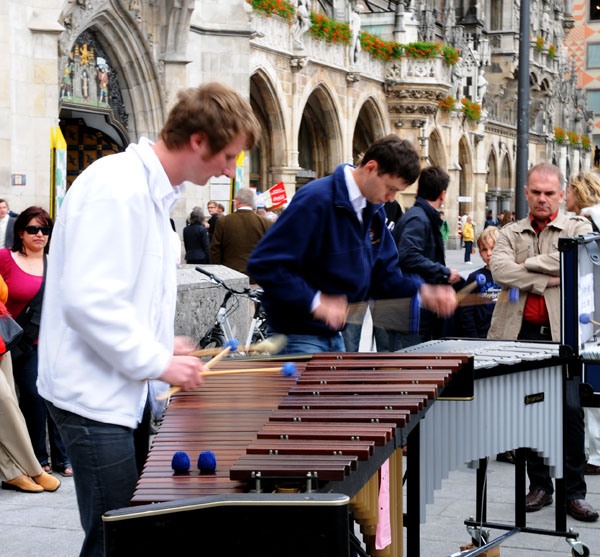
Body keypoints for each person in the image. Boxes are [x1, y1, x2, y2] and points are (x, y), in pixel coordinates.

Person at [37, 82, 260, 556]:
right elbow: (86, 301)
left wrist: (164, 344)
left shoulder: (151, 193)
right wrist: (157, 360)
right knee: (116, 541)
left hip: (120, 390)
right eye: (228, 155)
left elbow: (123, 295)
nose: (229, 168)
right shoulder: (117, 188)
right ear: (199, 140)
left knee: (133, 533)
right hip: (91, 397)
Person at [247, 135, 457, 355]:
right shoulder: (316, 200)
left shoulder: (373, 211)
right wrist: (316, 302)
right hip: (296, 336)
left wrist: (423, 292)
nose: (391, 198)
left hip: (333, 336)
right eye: (390, 188)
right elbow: (265, 264)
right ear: (371, 167)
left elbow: (384, 277)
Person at [488, 162, 598, 522]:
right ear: (526, 193)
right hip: (519, 335)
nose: (542, 199)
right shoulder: (508, 232)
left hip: (562, 337)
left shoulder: (578, 226)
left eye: (549, 193)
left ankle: (574, 492)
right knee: (526, 412)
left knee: (569, 413)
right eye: (535, 192)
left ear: (562, 195)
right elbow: (500, 269)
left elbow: (573, 254)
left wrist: (528, 264)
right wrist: (544, 278)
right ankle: (540, 486)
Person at [0, 207, 72, 478]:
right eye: (33, 229)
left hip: (50, 342)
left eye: (45, 230)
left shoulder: (55, 264)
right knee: (32, 397)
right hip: (13, 342)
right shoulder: (6, 259)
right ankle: (36, 458)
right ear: (21, 232)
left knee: (55, 396)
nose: (40, 234)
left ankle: (61, 457)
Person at [0, 273, 61, 494]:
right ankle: (34, 468)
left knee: (10, 404)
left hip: (1, 336)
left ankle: (11, 472)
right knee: (4, 400)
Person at [393, 166, 461, 348]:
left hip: (416, 309)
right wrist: (444, 272)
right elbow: (407, 254)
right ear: (443, 194)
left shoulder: (420, 216)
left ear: (418, 190)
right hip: (409, 313)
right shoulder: (418, 218)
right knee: (408, 367)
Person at [565, 171, 600, 477]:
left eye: (567, 191)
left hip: (591, 313)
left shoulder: (588, 220)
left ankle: (595, 455)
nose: (565, 197)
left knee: (591, 392)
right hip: (591, 311)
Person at [210, 187, 272, 278]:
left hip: (230, 275)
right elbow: (271, 251)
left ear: (237, 201)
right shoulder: (266, 223)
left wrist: (219, 274)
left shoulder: (223, 221)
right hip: (257, 275)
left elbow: (215, 250)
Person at [459, 226, 501, 338]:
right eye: (484, 249)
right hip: (481, 335)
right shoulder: (474, 277)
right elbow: (466, 310)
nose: (489, 253)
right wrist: (473, 336)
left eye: (493, 248)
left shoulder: (509, 276)